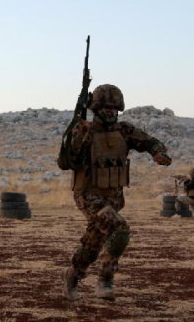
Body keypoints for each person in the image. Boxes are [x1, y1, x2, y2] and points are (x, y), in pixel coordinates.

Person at [60, 84, 172, 301]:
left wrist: (158, 153)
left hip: (113, 198)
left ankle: (72, 275)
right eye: (106, 108)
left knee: (94, 243)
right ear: (96, 109)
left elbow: (149, 141)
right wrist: (80, 135)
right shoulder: (84, 130)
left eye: (114, 108)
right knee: (119, 228)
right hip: (89, 196)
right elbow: (67, 162)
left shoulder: (124, 131)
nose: (111, 112)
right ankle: (105, 279)